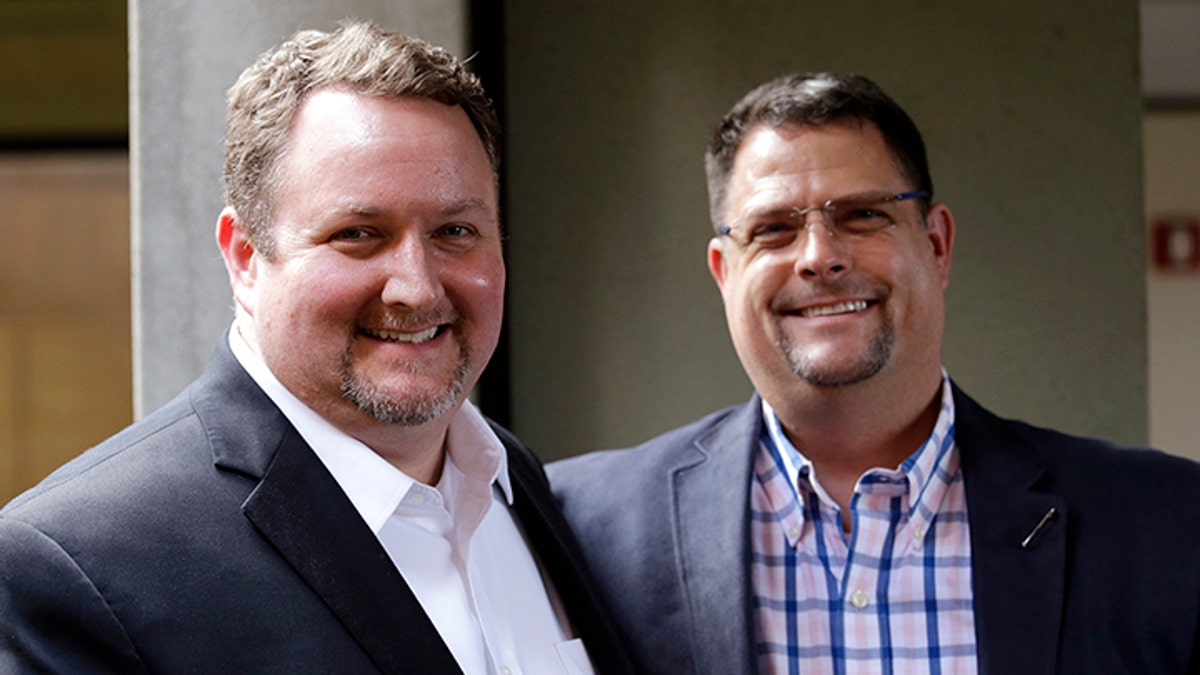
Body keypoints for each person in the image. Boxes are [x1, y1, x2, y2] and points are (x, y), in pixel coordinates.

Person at [0, 21, 631, 674]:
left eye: (455, 230)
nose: (416, 286)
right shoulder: (79, 565)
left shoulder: (514, 479)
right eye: (358, 233)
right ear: (245, 258)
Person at [549, 72, 1200, 674]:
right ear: (724, 272)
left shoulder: (1164, 523)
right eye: (774, 229)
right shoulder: (584, 528)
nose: (820, 256)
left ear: (937, 246)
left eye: (862, 215)